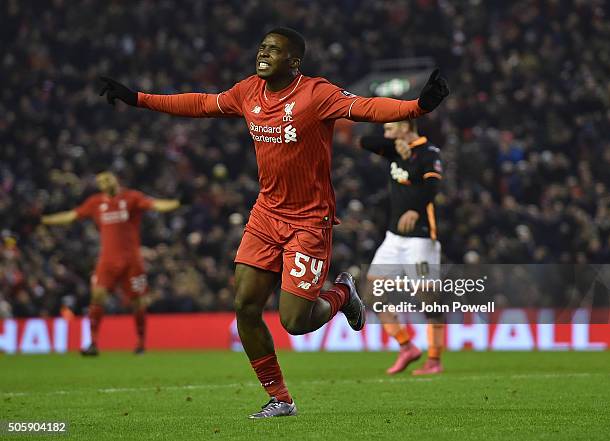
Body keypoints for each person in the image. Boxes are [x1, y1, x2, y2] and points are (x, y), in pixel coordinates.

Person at [98, 27, 449, 417]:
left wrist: (417, 107)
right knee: (245, 306)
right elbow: (199, 103)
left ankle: (341, 295)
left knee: (295, 322)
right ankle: (280, 398)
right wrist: (137, 98)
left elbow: (366, 107)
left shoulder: (317, 94)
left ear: (293, 61)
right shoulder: (248, 91)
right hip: (266, 215)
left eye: (274, 49)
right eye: (262, 46)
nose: (263, 52)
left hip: (309, 222)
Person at [41, 171, 180, 355]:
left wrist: (177, 203)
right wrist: (45, 219)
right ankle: (93, 343)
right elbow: (72, 215)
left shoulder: (132, 197)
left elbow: (155, 204)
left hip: (132, 261)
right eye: (101, 181)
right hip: (107, 260)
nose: (105, 183)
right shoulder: (95, 203)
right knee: (97, 297)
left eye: (107, 178)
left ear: (115, 179)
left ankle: (140, 343)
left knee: (138, 302)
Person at [360, 120, 445, 375]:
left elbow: (432, 186)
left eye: (390, 129)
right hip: (393, 237)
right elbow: (364, 142)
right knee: (372, 292)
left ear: (406, 127)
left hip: (420, 237)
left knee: (428, 298)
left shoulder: (429, 152)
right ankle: (406, 346)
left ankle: (434, 359)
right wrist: (393, 143)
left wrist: (415, 210)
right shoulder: (394, 149)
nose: (385, 133)